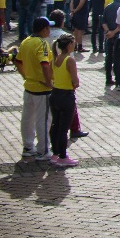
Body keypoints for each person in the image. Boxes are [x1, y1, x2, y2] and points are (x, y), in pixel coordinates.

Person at [16, 17, 54, 161]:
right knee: (43, 120)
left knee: (27, 118)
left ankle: (28, 146)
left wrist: (25, 76)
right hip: (41, 89)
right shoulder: (41, 44)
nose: (49, 30)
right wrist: (48, 82)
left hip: (29, 86)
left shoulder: (26, 41)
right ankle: (43, 150)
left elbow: (18, 61)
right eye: (48, 28)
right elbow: (44, 64)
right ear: (44, 29)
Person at [48, 34, 81, 167]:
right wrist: (75, 84)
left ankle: (55, 154)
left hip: (55, 94)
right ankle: (63, 156)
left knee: (55, 125)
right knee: (64, 128)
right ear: (68, 45)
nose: (74, 45)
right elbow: (75, 81)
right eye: (73, 43)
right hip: (66, 96)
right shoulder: (69, 60)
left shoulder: (55, 58)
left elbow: (52, 76)